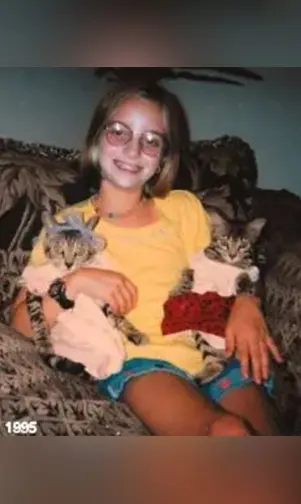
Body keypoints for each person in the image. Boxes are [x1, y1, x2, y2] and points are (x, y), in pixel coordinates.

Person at [11, 82, 283, 436]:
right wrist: (75, 284)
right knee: (228, 431)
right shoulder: (66, 226)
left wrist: (248, 302)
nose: (133, 149)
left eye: (151, 140)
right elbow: (20, 325)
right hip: (140, 365)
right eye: (119, 132)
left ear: (162, 158)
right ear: (96, 139)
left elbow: (226, 272)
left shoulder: (185, 208)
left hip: (215, 356)